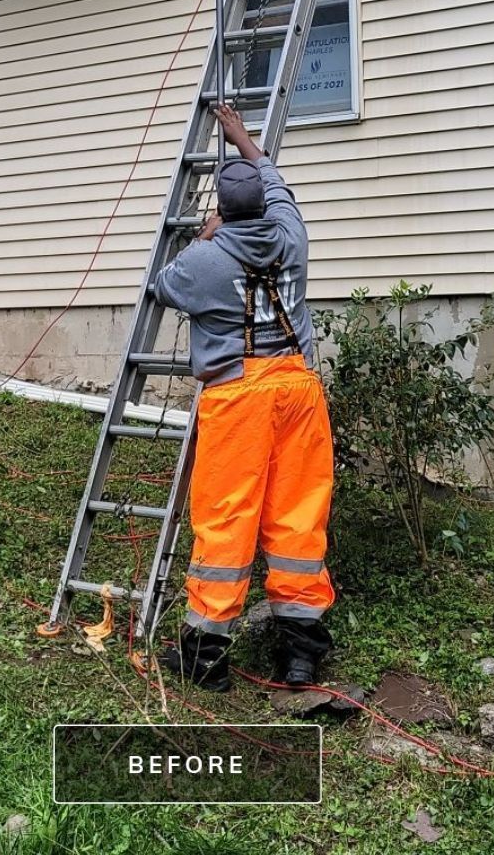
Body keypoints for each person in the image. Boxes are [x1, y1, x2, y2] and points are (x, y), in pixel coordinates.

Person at [150, 104, 335, 692]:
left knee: (226, 521)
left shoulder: (205, 258)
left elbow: (164, 286)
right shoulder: (293, 237)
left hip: (238, 396)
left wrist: (205, 238)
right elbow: (278, 184)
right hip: (300, 388)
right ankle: (302, 656)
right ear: (263, 206)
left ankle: (206, 660)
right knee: (298, 521)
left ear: (223, 213)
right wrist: (245, 141)